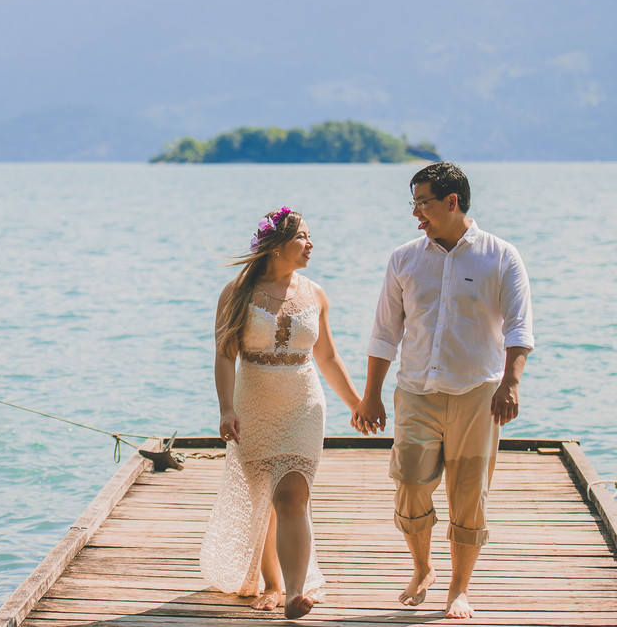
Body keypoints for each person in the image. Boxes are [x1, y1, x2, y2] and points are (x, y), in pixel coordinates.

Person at [352, 162, 534, 619]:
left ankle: (459, 588)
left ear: (452, 202)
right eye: (413, 203)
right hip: (415, 391)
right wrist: (370, 395)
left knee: (469, 495)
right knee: (411, 483)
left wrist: (511, 383)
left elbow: (518, 326)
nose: (416, 213)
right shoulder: (404, 258)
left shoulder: (501, 255)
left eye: (423, 202)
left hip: (477, 393)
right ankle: (422, 568)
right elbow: (383, 333)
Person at [200, 207, 362, 620]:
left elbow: (326, 356)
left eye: (310, 236)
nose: (311, 244)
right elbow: (224, 356)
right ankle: (271, 583)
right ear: (275, 245)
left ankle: (293, 591)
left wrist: (357, 404)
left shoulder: (317, 294)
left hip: (303, 405)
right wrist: (226, 408)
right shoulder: (236, 292)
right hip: (254, 406)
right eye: (302, 237)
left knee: (292, 496)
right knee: (264, 503)